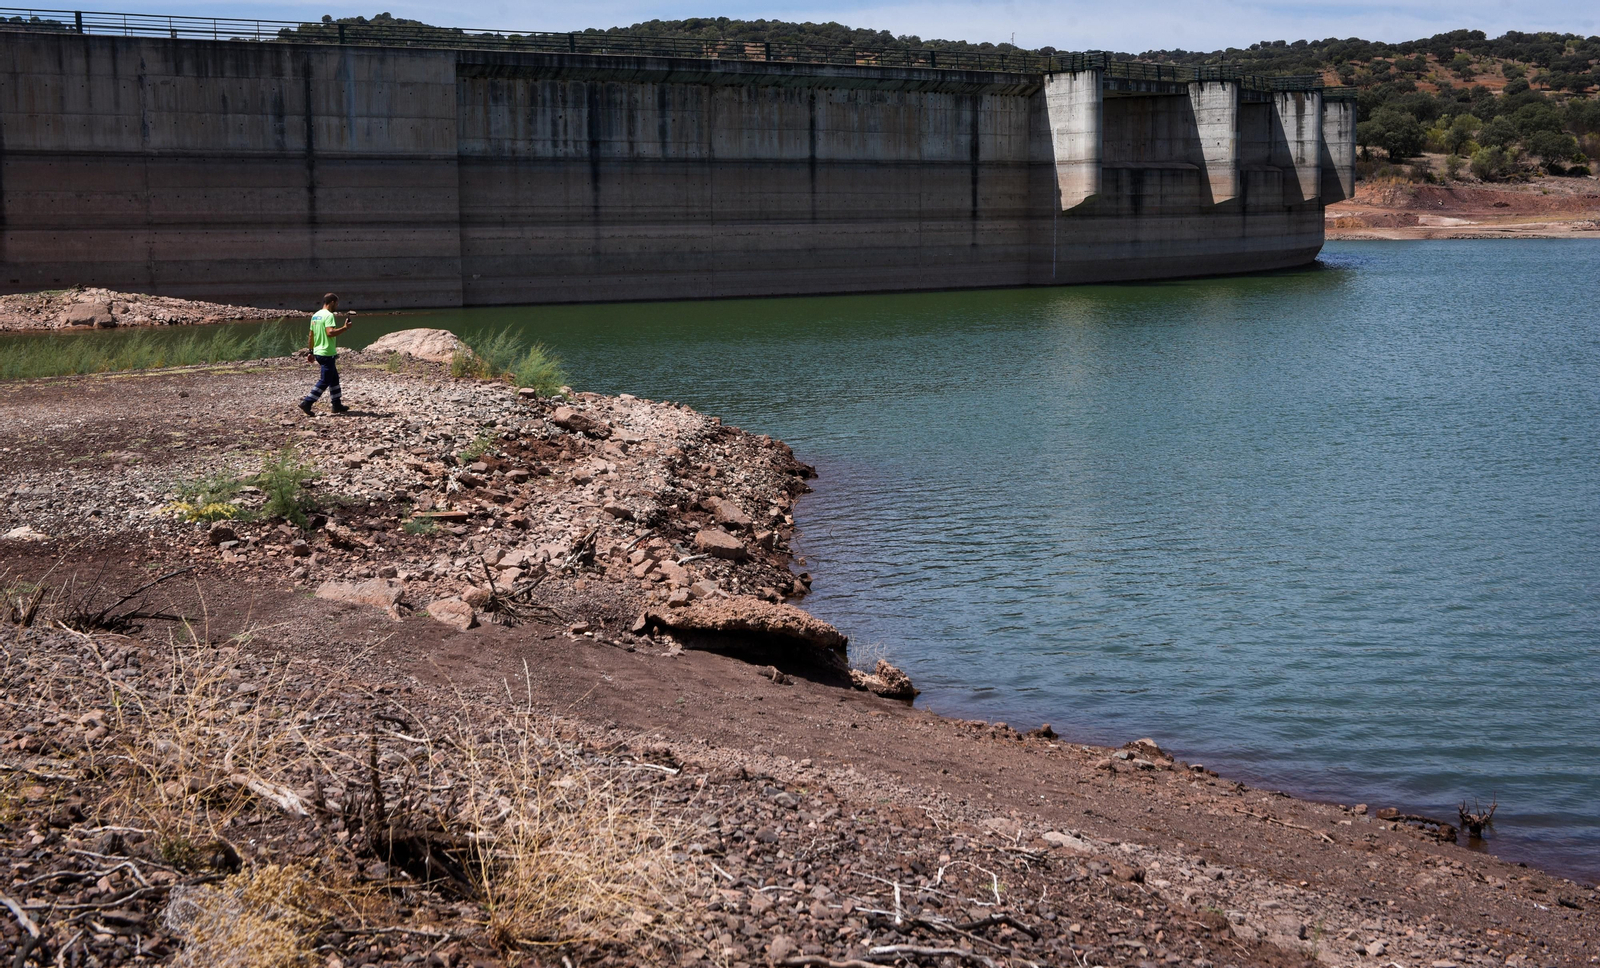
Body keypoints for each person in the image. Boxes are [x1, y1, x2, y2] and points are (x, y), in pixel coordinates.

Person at [298, 293, 354, 416]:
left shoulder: (315, 315)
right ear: (332, 302)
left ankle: (336, 404)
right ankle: (307, 402)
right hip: (327, 352)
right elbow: (330, 333)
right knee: (325, 380)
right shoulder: (329, 316)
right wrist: (345, 328)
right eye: (337, 303)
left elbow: (311, 335)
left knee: (334, 378)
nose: (337, 306)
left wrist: (311, 351)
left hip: (318, 352)